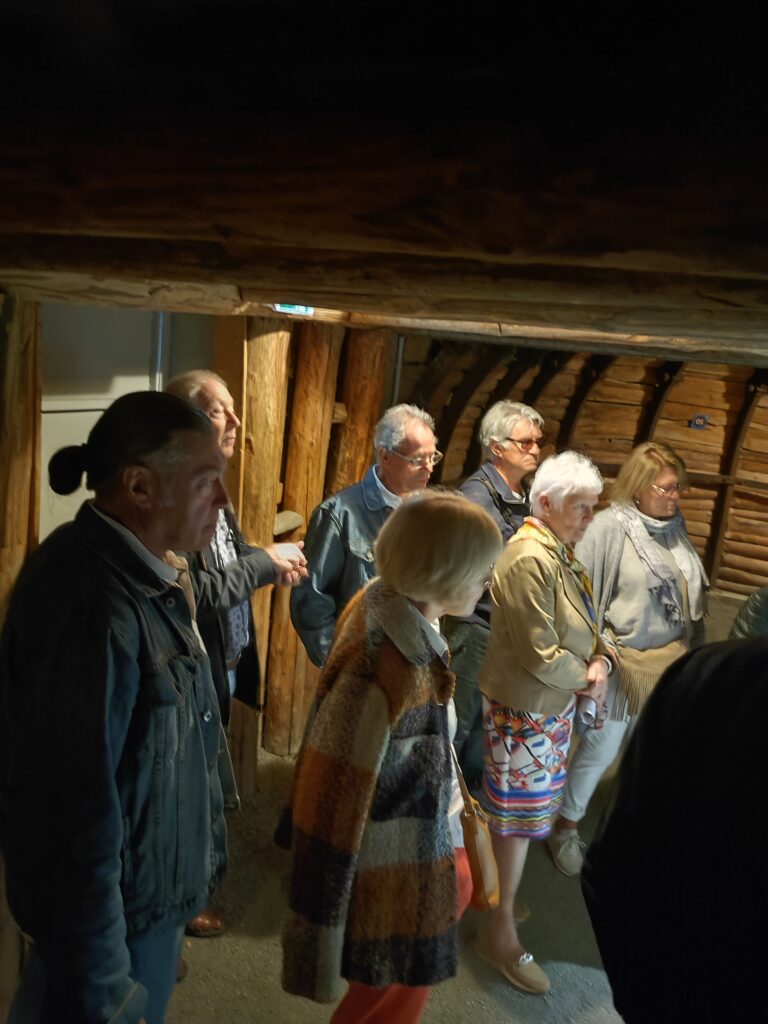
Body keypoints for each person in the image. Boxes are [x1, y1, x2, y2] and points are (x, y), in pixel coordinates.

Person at [0, 392, 230, 1024]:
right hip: (114, 929)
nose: (224, 499)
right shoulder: (91, 608)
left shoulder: (148, 575)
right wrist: (106, 989)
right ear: (140, 487)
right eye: (206, 481)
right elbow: (69, 817)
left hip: (145, 906)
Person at [282, 491, 503, 1024]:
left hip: (425, 847)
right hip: (400, 870)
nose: (489, 583)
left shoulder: (390, 609)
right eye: (482, 572)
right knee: (385, 1006)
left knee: (390, 996)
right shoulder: (390, 663)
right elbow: (335, 794)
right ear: (444, 572)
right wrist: (321, 932)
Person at [165, 371, 307, 939]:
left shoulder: (211, 486)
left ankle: (190, 890)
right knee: (185, 789)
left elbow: (232, 549)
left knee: (202, 777)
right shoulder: (181, 491)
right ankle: (178, 904)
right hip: (193, 666)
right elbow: (194, 593)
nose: (237, 421)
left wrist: (266, 556)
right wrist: (262, 565)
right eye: (220, 410)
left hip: (222, 661)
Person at [475, 451, 613, 995]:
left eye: (593, 506)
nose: (589, 517)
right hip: (524, 710)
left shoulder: (556, 549)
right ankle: (498, 934)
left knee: (525, 816)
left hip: (544, 708)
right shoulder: (528, 557)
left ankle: (499, 897)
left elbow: (584, 623)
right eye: (581, 506)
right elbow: (539, 654)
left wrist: (601, 659)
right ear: (548, 503)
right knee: (514, 819)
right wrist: (590, 675)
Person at [582, 639, 766, 1023]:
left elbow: (613, 869)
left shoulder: (714, 672)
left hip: (670, 983)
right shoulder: (718, 675)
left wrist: (647, 1001)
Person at [549, 441, 708, 877]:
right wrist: (595, 654)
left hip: (667, 660)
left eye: (678, 488)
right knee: (601, 749)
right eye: (666, 488)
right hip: (621, 661)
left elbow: (687, 592)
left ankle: (626, 826)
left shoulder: (673, 527)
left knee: (648, 747)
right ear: (638, 486)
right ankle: (565, 827)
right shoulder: (608, 528)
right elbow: (580, 596)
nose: (675, 497)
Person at [442, 400, 545, 788]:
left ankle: (469, 802)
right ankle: (444, 803)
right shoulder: (476, 500)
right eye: (525, 442)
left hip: (503, 628)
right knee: (460, 723)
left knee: (487, 724)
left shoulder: (522, 492)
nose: (535, 449)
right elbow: (458, 568)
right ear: (497, 446)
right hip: (475, 628)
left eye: (538, 441)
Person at [290, 403, 440, 667]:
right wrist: (343, 666)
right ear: (385, 457)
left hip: (419, 660)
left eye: (433, 457)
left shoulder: (431, 510)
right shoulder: (339, 514)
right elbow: (312, 601)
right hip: (365, 669)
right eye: (418, 460)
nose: (429, 468)